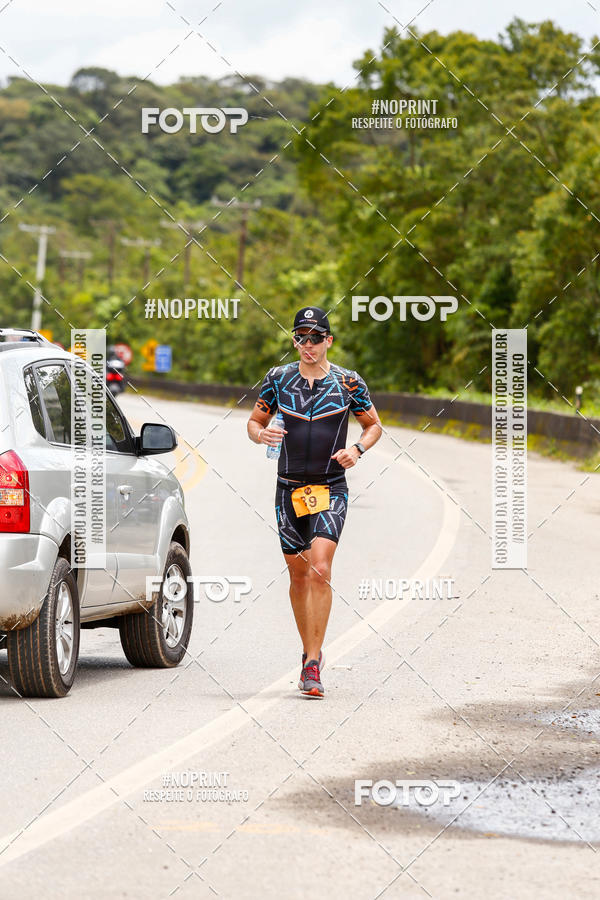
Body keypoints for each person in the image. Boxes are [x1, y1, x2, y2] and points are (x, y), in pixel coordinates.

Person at [247, 306, 382, 697]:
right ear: (294, 341)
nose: (308, 345)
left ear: (329, 341)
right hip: (288, 488)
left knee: (320, 568)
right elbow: (254, 422)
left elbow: (373, 426)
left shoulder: (348, 382)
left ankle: (312, 662)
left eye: (315, 337)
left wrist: (357, 449)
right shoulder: (278, 379)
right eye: (301, 338)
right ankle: (310, 651)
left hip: (330, 487)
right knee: (298, 574)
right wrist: (260, 436)